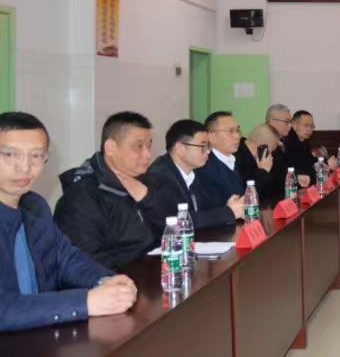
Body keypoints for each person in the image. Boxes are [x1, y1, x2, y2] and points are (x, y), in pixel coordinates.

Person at [0, 112, 138, 332]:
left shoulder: (34, 206)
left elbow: (65, 258)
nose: (25, 167)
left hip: (36, 334)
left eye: (36, 155)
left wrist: (105, 280)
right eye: (9, 154)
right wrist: (86, 302)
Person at [55, 112, 169, 269]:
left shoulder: (145, 181)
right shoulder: (82, 196)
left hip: (154, 270)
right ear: (110, 148)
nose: (148, 154)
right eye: (139, 147)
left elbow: (173, 229)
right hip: (119, 279)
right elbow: (86, 261)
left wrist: (147, 198)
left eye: (149, 146)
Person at [146, 120, 243, 233]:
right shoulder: (161, 177)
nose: (208, 151)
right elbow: (178, 221)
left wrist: (230, 206)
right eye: (202, 146)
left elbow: (205, 211)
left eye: (208, 146)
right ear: (180, 148)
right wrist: (229, 212)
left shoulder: (195, 173)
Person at [198, 111, 247, 210]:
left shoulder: (237, 160)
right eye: (230, 131)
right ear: (212, 136)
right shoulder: (203, 166)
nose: (237, 136)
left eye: (237, 130)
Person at [234, 123, 281, 200]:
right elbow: (248, 194)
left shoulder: (247, 152)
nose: (271, 155)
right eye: (271, 150)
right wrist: (263, 171)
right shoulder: (237, 159)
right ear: (262, 147)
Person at [284, 110, 318, 186]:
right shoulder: (289, 143)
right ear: (294, 125)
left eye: (311, 126)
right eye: (306, 125)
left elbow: (310, 161)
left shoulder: (304, 141)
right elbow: (303, 170)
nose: (309, 129)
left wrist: (324, 163)